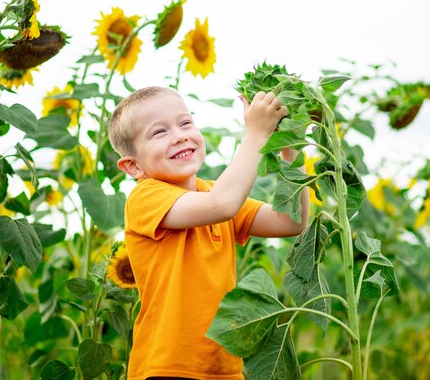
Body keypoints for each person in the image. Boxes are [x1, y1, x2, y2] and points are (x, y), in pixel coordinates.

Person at [108, 86, 309, 380]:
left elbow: (291, 221)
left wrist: (290, 145)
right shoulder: (145, 198)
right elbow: (223, 204)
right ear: (133, 165)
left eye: (185, 122)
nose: (179, 135)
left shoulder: (212, 192)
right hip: (167, 367)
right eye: (159, 132)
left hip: (224, 368)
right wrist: (256, 134)